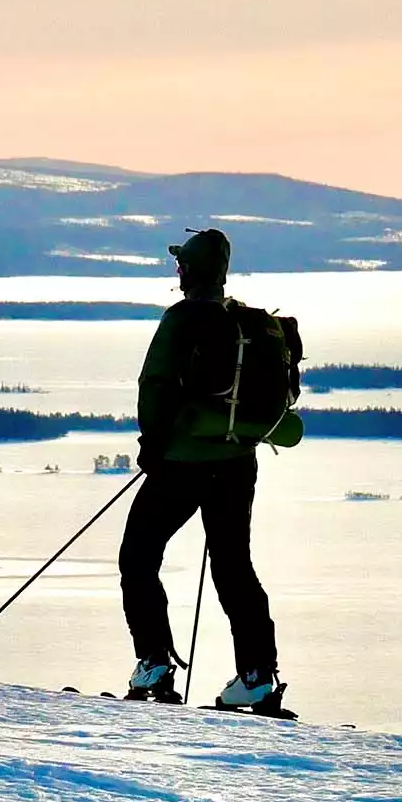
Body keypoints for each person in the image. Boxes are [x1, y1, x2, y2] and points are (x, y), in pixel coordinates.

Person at [118, 228, 283, 711]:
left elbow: (156, 384)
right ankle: (256, 675)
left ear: (186, 271)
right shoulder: (250, 323)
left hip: (183, 464)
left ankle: (154, 662)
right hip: (238, 461)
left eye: (180, 264)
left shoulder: (182, 319)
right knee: (234, 566)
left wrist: (152, 444)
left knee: (139, 557)